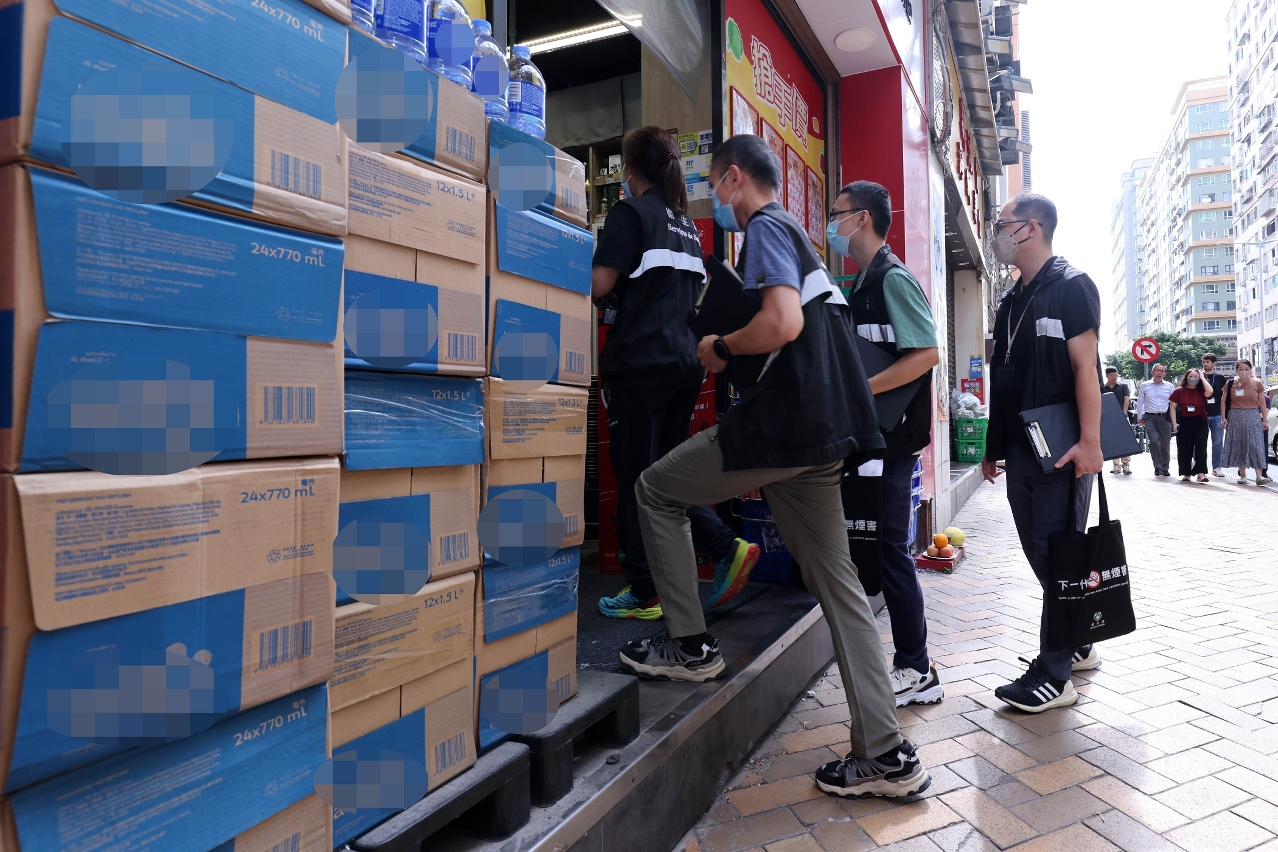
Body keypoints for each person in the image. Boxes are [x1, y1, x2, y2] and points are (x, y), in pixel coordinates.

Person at [619, 134, 931, 798]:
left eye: (712, 183)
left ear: (735, 178)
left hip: (781, 428)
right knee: (841, 587)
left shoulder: (764, 227)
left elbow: (782, 322)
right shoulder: (799, 239)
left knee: (653, 489)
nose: (711, 198)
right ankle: (885, 754)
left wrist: (721, 346)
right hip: (823, 438)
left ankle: (689, 646)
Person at [591, 126, 760, 621]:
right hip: (685, 366)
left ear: (630, 170)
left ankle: (647, 590)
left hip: (639, 366)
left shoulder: (630, 214)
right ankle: (723, 548)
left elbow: (600, 282)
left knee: (637, 479)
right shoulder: (686, 226)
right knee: (664, 476)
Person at [981, 192, 1104, 714]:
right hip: (1020, 447)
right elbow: (1004, 380)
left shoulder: (1072, 286)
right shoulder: (1011, 300)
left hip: (1062, 447)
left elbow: (1085, 369)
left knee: (1057, 552)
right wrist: (993, 446)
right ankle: (1077, 638)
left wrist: (1091, 442)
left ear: (1030, 228)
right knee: (1039, 548)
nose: (996, 233)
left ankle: (1055, 675)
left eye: (1001, 224)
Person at [830, 180, 943, 708]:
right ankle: (910, 662)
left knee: (893, 552)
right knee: (881, 550)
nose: (832, 223)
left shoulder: (893, 278)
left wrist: (863, 388)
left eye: (838, 213)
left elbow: (926, 354)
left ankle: (916, 666)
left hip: (893, 443)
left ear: (863, 218)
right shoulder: (864, 280)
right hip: (874, 438)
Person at [1222, 359, 1273, 486]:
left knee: (1256, 445)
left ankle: (1259, 476)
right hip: (1235, 415)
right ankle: (1243, 475)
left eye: (1246, 369)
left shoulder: (1257, 383)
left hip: (1253, 415)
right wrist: (1223, 418)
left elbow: (1262, 403)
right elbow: (1223, 401)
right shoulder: (1230, 383)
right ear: (1236, 370)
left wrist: (1265, 419)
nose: (1244, 372)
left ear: (1250, 370)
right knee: (1239, 444)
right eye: (1241, 369)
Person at [1169, 368, 1213, 483]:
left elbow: (1210, 391)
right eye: (1190, 376)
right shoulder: (1179, 391)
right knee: (1184, 448)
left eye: (1196, 377)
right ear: (1186, 377)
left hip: (1200, 420)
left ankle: (1201, 472)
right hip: (1184, 421)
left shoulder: (1202, 390)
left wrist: (1202, 377)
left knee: (1201, 447)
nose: (1193, 379)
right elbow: (1172, 408)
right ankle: (1186, 473)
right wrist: (1174, 423)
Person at [1137, 364, 1174, 478]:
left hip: (1165, 417)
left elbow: (1173, 404)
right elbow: (1140, 401)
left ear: (1165, 374)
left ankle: (1165, 468)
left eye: (1162, 371)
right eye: (1157, 370)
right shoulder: (1144, 385)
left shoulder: (1169, 386)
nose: (1159, 373)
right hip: (1149, 417)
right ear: (1152, 372)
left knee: (1165, 443)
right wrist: (1139, 416)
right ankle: (1158, 467)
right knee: (1153, 441)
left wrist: (1174, 419)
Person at [1200, 353, 1228, 476]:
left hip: (1217, 415)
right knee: (1200, 442)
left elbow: (1224, 398)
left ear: (1214, 363)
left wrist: (1224, 416)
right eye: (1204, 362)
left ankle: (1217, 467)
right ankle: (1199, 466)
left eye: (1207, 362)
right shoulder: (1199, 376)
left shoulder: (1220, 378)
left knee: (1217, 443)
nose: (1205, 364)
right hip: (1201, 414)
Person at [1102, 367, 1132, 475]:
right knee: (1113, 442)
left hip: (1122, 416)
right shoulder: (1102, 388)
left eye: (1116, 375)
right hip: (1108, 418)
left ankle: (1126, 464)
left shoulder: (1123, 386)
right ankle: (1116, 465)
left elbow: (1126, 399)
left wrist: (1124, 413)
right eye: (1111, 375)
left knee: (1125, 441)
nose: (1114, 377)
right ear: (1107, 375)